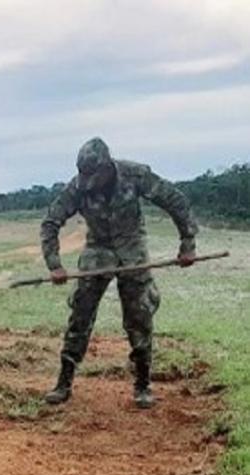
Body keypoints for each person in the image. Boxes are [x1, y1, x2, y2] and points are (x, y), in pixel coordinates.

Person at [41, 138, 198, 409]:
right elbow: (51, 222)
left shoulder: (135, 175)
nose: (89, 182)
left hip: (132, 249)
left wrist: (187, 243)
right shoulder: (78, 186)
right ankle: (64, 382)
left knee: (140, 316)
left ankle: (142, 384)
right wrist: (54, 264)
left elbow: (174, 200)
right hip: (97, 250)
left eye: (93, 176)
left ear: (106, 167)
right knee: (80, 313)